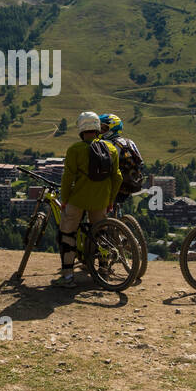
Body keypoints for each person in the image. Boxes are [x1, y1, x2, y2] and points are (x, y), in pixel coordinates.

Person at [53, 111, 122, 288]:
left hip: (78, 200)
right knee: (101, 234)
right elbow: (117, 178)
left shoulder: (75, 150)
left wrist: (65, 199)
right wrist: (110, 199)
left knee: (67, 233)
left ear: (81, 128)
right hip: (101, 200)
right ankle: (103, 271)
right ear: (98, 128)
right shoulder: (111, 149)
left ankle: (68, 277)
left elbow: (68, 178)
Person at [101, 113, 145, 283]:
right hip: (130, 187)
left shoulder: (106, 144)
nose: (101, 130)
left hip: (113, 187)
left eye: (104, 128)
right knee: (115, 214)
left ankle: (103, 263)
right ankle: (121, 234)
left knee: (101, 223)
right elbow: (140, 162)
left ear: (112, 128)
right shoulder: (130, 142)